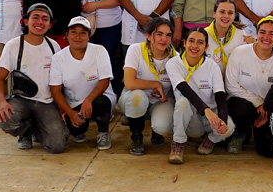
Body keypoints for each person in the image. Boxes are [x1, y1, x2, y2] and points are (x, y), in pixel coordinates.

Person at [0, 3, 66, 153]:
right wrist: (1, 102)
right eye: (36, 17)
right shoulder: (14, 45)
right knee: (5, 119)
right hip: (22, 100)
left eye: (45, 19)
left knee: (58, 146)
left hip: (47, 102)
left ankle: (37, 128)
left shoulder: (54, 47)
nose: (40, 22)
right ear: (26, 21)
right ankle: (25, 131)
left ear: (50, 25)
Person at [168, 27, 235, 163]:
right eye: (191, 41)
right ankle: (178, 143)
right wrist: (206, 110)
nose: (194, 46)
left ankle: (210, 140)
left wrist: (221, 120)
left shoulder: (212, 66)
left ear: (206, 47)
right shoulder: (173, 63)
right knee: (182, 102)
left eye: (200, 42)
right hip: (191, 114)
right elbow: (184, 89)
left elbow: (220, 96)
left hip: (210, 113)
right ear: (184, 43)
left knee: (229, 127)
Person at [224, 16, 273, 154]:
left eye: (272, 34)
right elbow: (231, 85)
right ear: (257, 33)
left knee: (268, 151)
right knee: (241, 109)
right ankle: (241, 132)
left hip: (267, 110)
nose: (266, 37)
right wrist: (258, 102)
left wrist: (267, 110)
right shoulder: (240, 52)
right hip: (242, 104)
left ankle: (262, 130)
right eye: (262, 32)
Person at [49, 16, 115, 150]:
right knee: (76, 131)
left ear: (89, 36)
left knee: (101, 103)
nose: (78, 36)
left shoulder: (99, 51)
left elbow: (105, 80)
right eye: (74, 32)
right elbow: (55, 90)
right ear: (66, 35)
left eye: (83, 33)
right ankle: (79, 128)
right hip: (74, 104)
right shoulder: (58, 58)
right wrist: (70, 113)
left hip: (98, 99)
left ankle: (103, 132)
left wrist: (88, 100)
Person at [74, 0, 123, 96]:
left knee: (107, 61)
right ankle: (87, 98)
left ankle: (110, 98)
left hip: (110, 26)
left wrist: (95, 5)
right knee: (86, 62)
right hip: (84, 25)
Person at [120, 18, 176, 156]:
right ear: (148, 36)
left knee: (162, 127)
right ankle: (137, 135)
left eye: (168, 35)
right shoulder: (136, 49)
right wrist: (156, 84)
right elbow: (130, 83)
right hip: (133, 95)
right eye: (159, 34)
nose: (164, 39)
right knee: (137, 97)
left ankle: (156, 131)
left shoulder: (176, 58)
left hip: (160, 100)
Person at [204, 0, 253, 72]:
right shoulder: (204, 35)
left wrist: (253, 47)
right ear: (214, 13)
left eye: (230, 13)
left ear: (234, 16)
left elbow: (246, 63)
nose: (226, 16)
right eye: (222, 12)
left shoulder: (240, 34)